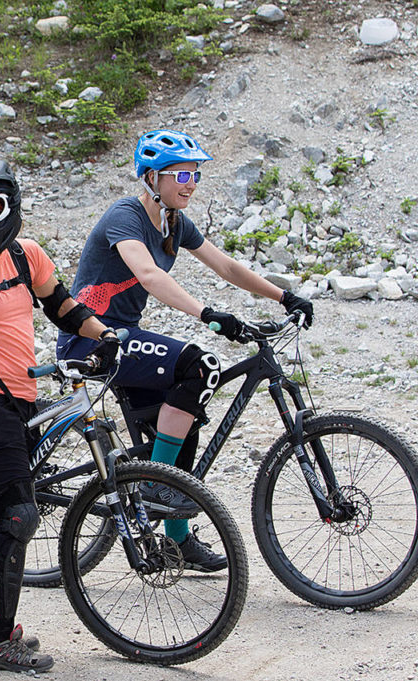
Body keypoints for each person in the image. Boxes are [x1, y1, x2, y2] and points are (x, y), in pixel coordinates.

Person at [56, 129, 314, 570]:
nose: (190, 182)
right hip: (94, 337)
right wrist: (209, 315)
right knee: (200, 366)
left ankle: (177, 539)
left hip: (124, 334)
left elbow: (227, 266)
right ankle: (157, 486)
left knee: (186, 418)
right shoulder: (125, 216)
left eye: (195, 173)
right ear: (152, 178)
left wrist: (283, 296)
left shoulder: (174, 221)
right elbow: (150, 276)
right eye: (181, 174)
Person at [0, 158, 119, 674]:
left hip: (23, 397)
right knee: (17, 516)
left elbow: (62, 306)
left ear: (11, 205)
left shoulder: (25, 254)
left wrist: (105, 336)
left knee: (11, 512)